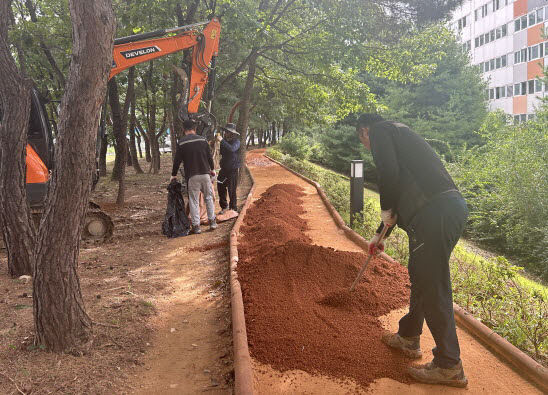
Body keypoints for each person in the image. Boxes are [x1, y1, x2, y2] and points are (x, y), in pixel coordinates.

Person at [356, 113, 469, 388]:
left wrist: (384, 213)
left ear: (364, 131)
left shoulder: (381, 131)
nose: (367, 147)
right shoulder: (399, 134)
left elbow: (389, 175)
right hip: (445, 210)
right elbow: (400, 192)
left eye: (363, 140)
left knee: (432, 282)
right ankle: (408, 337)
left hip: (434, 213)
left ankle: (449, 365)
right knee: (421, 274)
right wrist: (379, 235)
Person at [171, 119, 217, 234]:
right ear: (195, 129)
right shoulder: (203, 140)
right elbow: (209, 157)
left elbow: (177, 161)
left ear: (184, 130)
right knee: (208, 198)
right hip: (205, 174)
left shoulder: (181, 142)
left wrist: (173, 174)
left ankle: (196, 227)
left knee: (194, 200)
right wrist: (212, 169)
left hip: (192, 176)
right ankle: (212, 222)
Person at [216, 123, 241, 214]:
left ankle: (233, 208)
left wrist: (222, 140)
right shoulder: (224, 142)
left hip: (233, 170)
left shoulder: (236, 142)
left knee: (232, 189)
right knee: (220, 185)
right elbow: (222, 152)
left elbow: (232, 149)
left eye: (227, 132)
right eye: (225, 131)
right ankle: (224, 206)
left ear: (232, 133)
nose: (225, 133)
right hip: (224, 169)